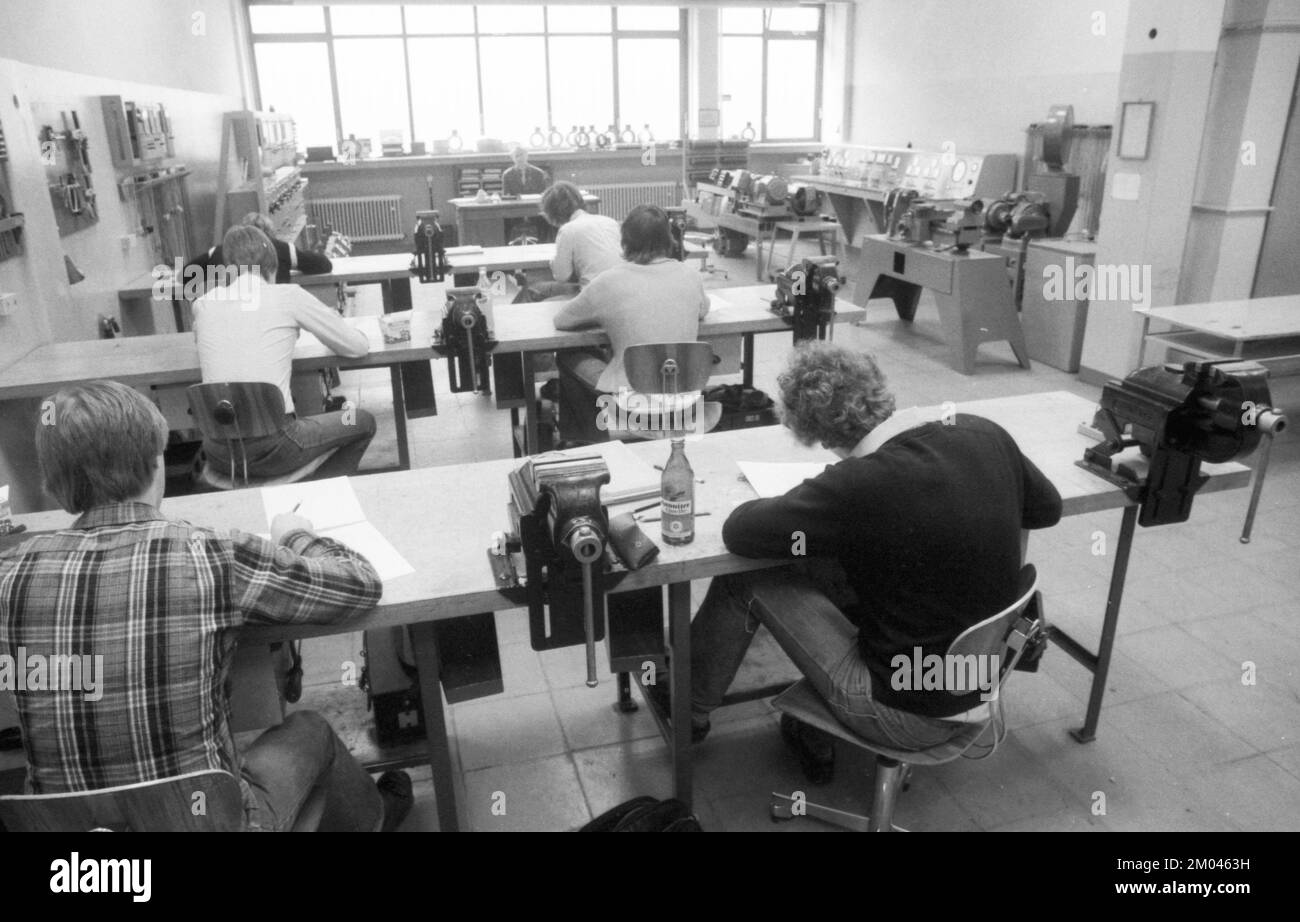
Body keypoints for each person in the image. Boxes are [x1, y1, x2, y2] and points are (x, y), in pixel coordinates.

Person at [0, 381, 411, 831]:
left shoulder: (11, 572)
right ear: (156, 462)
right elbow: (358, 585)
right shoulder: (209, 554)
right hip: (206, 824)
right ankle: (377, 818)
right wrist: (295, 534)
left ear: (55, 485)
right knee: (310, 729)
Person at [682, 343, 1063, 779]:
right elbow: (1047, 508)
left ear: (819, 437)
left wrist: (808, 498)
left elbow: (740, 533)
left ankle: (686, 710)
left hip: (901, 716)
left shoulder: (857, 484)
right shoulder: (982, 431)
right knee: (838, 559)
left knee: (747, 579)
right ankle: (805, 724)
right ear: (879, 390)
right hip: (978, 681)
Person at [192, 224, 377, 480]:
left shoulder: (202, 304)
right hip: (276, 447)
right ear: (274, 267)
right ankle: (319, 490)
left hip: (218, 453)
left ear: (227, 269)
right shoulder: (287, 295)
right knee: (359, 419)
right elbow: (357, 347)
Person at [551, 204, 711, 444]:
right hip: (682, 397)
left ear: (624, 241)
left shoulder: (608, 281)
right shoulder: (690, 274)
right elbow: (703, 310)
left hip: (633, 400)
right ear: (669, 240)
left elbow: (562, 320)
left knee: (568, 355)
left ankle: (587, 441)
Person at [513, 181, 621, 303]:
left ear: (551, 212)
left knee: (532, 290)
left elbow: (561, 276)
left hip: (595, 297)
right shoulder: (610, 222)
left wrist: (554, 261)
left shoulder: (568, 230)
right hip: (622, 291)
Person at [187, 212, 332, 287]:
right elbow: (323, 265)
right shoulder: (283, 249)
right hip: (274, 309)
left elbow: (187, 274)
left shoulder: (219, 251)